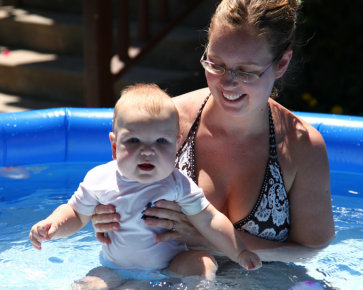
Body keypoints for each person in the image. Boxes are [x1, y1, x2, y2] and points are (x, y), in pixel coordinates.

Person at [93, 0, 335, 268]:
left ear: (281, 63)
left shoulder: (301, 146)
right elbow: (114, 194)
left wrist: (208, 239)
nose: (228, 83)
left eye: (245, 71)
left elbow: (311, 252)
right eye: (216, 64)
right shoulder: (166, 126)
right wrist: (103, 217)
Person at [29, 83, 261, 288]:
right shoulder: (99, 179)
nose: (147, 150)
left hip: (170, 265)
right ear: (114, 145)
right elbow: (76, 214)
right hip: (113, 268)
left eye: (161, 141)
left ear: (176, 145)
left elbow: (210, 219)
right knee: (89, 285)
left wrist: (238, 250)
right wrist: (54, 225)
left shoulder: (177, 183)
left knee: (202, 263)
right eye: (133, 140)